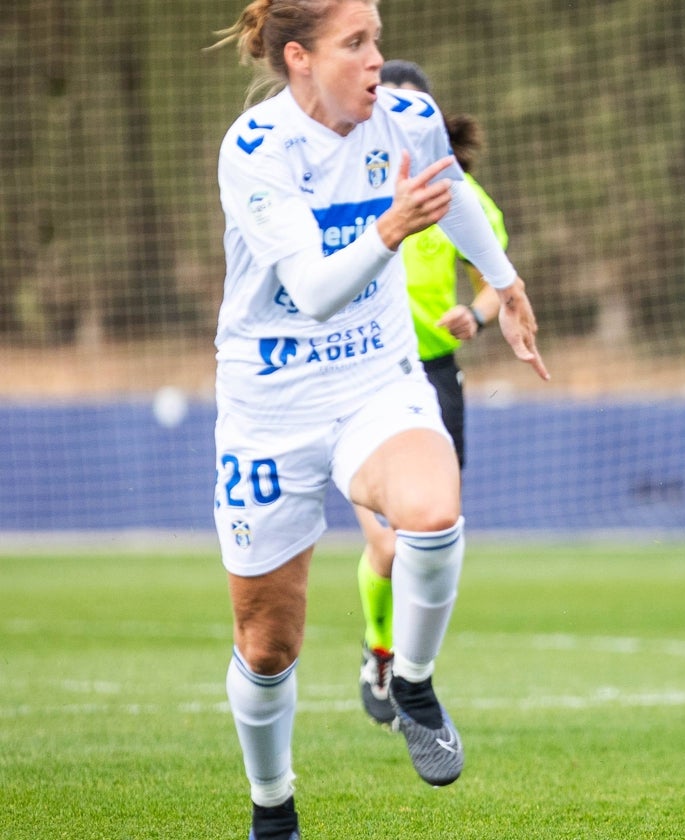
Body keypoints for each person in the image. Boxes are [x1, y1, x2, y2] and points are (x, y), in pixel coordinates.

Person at [210, 1, 549, 837]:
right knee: (267, 646)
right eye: (355, 44)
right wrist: (392, 229)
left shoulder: (406, 116)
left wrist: (504, 284)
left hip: (376, 379)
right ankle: (273, 809)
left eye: (377, 40)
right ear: (299, 58)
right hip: (270, 406)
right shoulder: (255, 151)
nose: (376, 60)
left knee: (433, 513)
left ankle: (413, 680)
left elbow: (453, 190)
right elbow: (320, 292)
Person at [354, 58, 506, 727]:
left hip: (435, 377)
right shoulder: (346, 189)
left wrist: (475, 315)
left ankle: (414, 668)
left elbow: (496, 283)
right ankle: (381, 653)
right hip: (362, 376)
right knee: (386, 547)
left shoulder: (460, 198)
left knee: (428, 535)